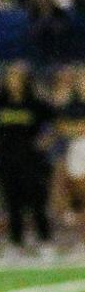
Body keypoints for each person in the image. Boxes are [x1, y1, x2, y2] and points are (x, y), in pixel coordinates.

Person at [0, 61, 54, 258]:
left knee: (37, 201)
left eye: (19, 77)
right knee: (13, 203)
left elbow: (51, 124)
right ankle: (16, 243)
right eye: (11, 77)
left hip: (32, 160)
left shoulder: (36, 104)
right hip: (6, 160)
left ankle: (45, 241)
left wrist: (45, 140)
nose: (15, 81)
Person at [58, 65, 85, 252]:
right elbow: (63, 126)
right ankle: (82, 240)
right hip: (77, 148)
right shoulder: (72, 104)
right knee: (79, 195)